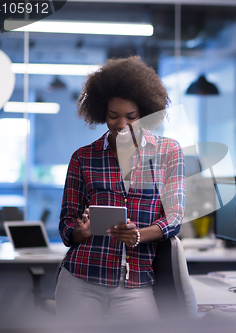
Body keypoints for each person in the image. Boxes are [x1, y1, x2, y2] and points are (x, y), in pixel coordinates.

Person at [55, 56, 185, 325]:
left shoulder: (168, 152)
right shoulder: (83, 157)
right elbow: (66, 224)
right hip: (81, 277)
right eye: (113, 116)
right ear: (102, 112)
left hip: (136, 283)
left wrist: (137, 235)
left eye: (131, 117)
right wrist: (82, 230)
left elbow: (174, 219)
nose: (121, 124)